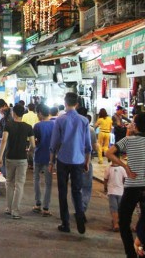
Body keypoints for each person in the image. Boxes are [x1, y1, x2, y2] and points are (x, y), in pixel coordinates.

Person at [106, 112, 145, 258]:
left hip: (132, 186)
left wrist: (125, 167)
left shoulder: (128, 140)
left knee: (124, 221)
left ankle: (130, 253)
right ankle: (144, 254)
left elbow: (109, 153)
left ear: (136, 125)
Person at [49, 92, 93, 235]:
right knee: (77, 191)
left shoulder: (60, 120)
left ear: (65, 102)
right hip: (79, 160)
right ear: (77, 104)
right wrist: (87, 161)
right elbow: (88, 145)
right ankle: (80, 218)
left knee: (63, 192)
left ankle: (65, 223)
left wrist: (51, 161)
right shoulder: (84, 121)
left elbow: (54, 143)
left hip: (63, 160)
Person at [0, 103, 34, 220]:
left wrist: (0, 157)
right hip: (22, 159)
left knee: (9, 182)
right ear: (23, 114)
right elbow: (33, 145)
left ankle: (8, 208)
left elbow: (4, 141)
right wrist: (29, 151)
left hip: (10, 157)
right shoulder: (28, 127)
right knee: (19, 185)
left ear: (13, 113)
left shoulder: (8, 125)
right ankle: (15, 211)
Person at [32, 104, 54, 216]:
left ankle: (37, 203)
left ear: (40, 113)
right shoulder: (54, 125)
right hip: (50, 157)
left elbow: (34, 141)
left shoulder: (37, 126)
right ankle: (46, 207)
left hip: (38, 155)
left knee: (36, 180)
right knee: (48, 183)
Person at [104, 163, 127, 232]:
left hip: (111, 192)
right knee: (119, 208)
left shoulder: (108, 168)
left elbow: (105, 179)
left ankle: (116, 224)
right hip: (120, 192)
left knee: (114, 208)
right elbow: (125, 179)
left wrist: (105, 188)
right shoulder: (122, 169)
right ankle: (118, 222)